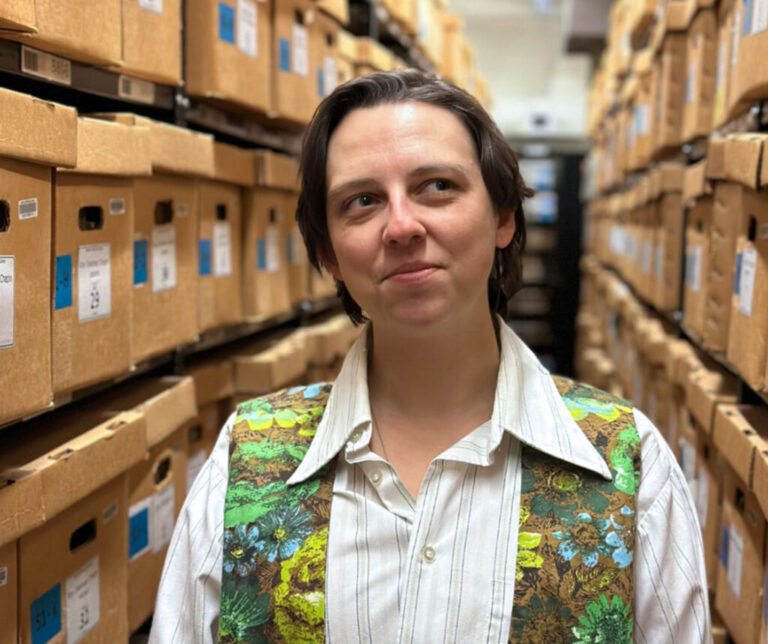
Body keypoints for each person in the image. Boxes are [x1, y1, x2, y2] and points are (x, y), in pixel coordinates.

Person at [150, 70, 710, 643]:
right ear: (329, 252)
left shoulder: (628, 467)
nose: (401, 226)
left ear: (502, 216)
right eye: (362, 201)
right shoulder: (246, 461)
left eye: (437, 186)